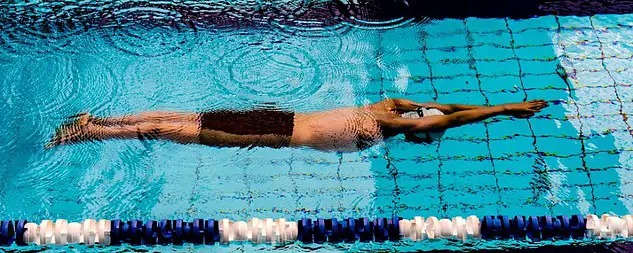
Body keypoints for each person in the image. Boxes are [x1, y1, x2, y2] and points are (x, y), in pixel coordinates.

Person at [46, 99, 549, 151]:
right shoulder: (385, 129)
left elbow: (445, 109)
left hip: (279, 116)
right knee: (177, 130)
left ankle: (96, 120)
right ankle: (88, 132)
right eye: (427, 134)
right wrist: (507, 110)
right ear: (414, 130)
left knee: (182, 117)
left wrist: (505, 103)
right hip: (276, 134)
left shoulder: (387, 105)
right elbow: (455, 117)